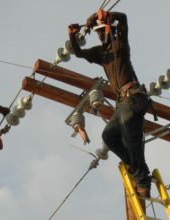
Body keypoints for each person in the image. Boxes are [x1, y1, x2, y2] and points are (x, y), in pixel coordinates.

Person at [68, 12, 156, 197]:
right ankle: (132, 164)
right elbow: (78, 53)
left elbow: (123, 17)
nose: (100, 34)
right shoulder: (101, 53)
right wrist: (72, 36)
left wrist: (106, 15)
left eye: (102, 31)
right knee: (109, 136)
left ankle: (143, 180)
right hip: (124, 102)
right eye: (98, 32)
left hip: (132, 98)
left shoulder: (120, 43)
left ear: (111, 29)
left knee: (132, 142)